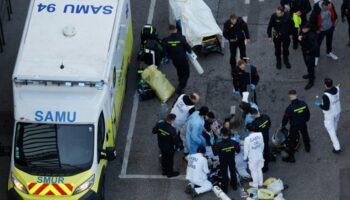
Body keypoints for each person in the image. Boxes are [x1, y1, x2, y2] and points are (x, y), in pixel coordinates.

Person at [281, 90, 311, 163]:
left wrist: (283, 125)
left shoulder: (289, 108)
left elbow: (285, 119)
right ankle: (308, 147)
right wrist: (306, 120)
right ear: (296, 95)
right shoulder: (303, 104)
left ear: (290, 97)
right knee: (305, 135)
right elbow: (307, 113)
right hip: (303, 123)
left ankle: (291, 158)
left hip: (294, 126)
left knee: (292, 141)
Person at [163, 25, 192, 94]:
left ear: (169, 31)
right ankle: (180, 87)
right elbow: (188, 49)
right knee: (186, 74)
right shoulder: (182, 38)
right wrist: (190, 50)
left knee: (179, 70)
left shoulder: (167, 40)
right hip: (182, 60)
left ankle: (180, 79)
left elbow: (165, 51)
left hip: (175, 61)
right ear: (176, 30)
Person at [315, 78, 341, 153]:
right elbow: (339, 86)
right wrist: (338, 85)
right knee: (335, 123)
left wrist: (319, 104)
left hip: (330, 114)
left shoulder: (326, 95)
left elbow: (326, 108)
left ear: (325, 85)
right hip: (337, 110)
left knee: (330, 130)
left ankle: (337, 147)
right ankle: (335, 133)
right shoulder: (337, 89)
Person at [310, 0, 338, 65]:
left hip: (330, 28)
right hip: (321, 31)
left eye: (330, 7)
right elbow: (311, 23)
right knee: (317, 44)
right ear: (323, 6)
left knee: (329, 41)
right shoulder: (316, 11)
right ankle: (316, 56)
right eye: (328, 8)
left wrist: (334, 25)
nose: (329, 9)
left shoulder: (330, 5)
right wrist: (317, 30)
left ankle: (329, 52)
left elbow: (335, 15)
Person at [213, 128, 240, 193]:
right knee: (233, 172)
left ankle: (225, 190)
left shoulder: (218, 144)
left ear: (221, 134)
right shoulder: (235, 143)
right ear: (229, 133)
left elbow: (215, 154)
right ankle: (234, 186)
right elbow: (238, 151)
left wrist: (214, 145)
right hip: (231, 160)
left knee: (224, 174)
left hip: (223, 161)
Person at [298, 23, 318, 90]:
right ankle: (310, 75)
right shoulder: (302, 31)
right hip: (304, 51)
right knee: (307, 64)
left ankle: (311, 82)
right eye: (302, 28)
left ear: (308, 29)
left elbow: (315, 46)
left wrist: (308, 51)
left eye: (304, 28)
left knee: (310, 67)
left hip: (309, 54)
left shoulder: (311, 36)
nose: (302, 30)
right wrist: (300, 40)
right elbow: (300, 38)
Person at [244, 124, 264, 188]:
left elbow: (246, 150)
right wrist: (261, 152)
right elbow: (262, 145)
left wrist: (245, 158)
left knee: (253, 171)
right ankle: (260, 183)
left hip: (252, 157)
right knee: (259, 169)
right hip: (259, 155)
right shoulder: (260, 134)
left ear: (247, 130)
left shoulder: (247, 139)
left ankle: (255, 184)